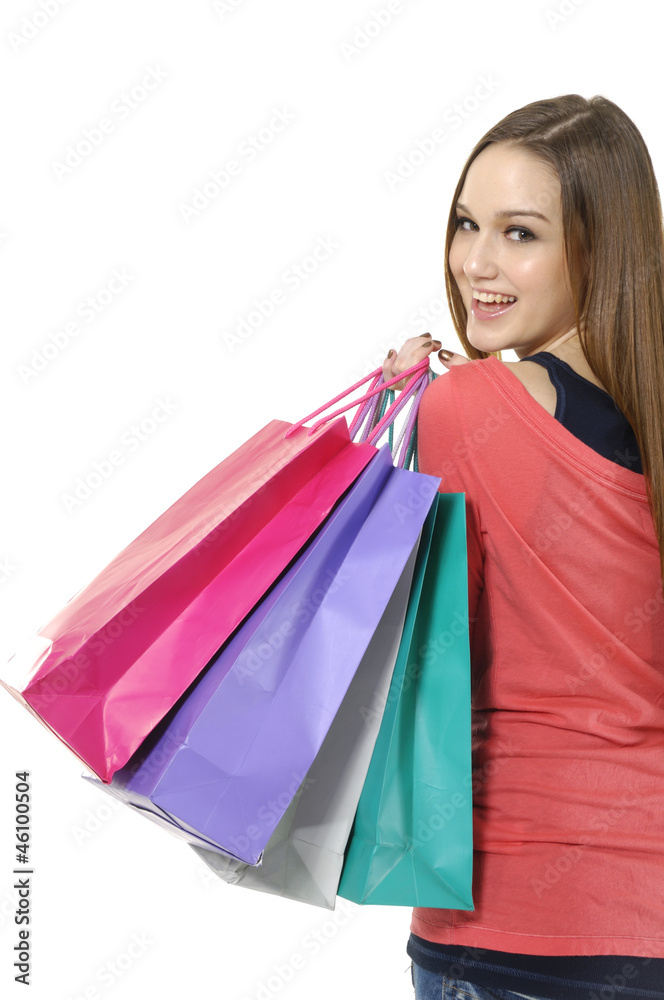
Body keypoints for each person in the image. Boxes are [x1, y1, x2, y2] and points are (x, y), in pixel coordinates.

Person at [382, 94, 664, 1000]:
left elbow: (417, 646)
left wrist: (409, 420)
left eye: (520, 234)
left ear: (596, 249)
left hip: (510, 926)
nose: (475, 263)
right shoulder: (647, 423)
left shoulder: (464, 407)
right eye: (468, 224)